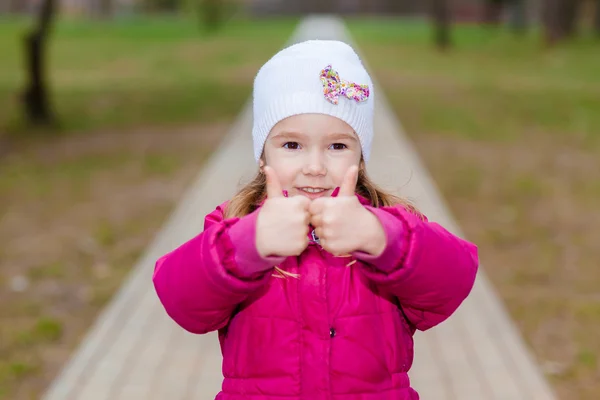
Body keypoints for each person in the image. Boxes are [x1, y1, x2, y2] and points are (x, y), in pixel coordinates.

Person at [153, 39, 479, 400]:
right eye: (291, 145)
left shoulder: (388, 225)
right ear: (263, 155)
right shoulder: (235, 223)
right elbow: (182, 301)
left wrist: (382, 239)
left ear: (361, 155)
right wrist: (248, 244)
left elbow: (454, 279)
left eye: (337, 146)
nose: (315, 167)